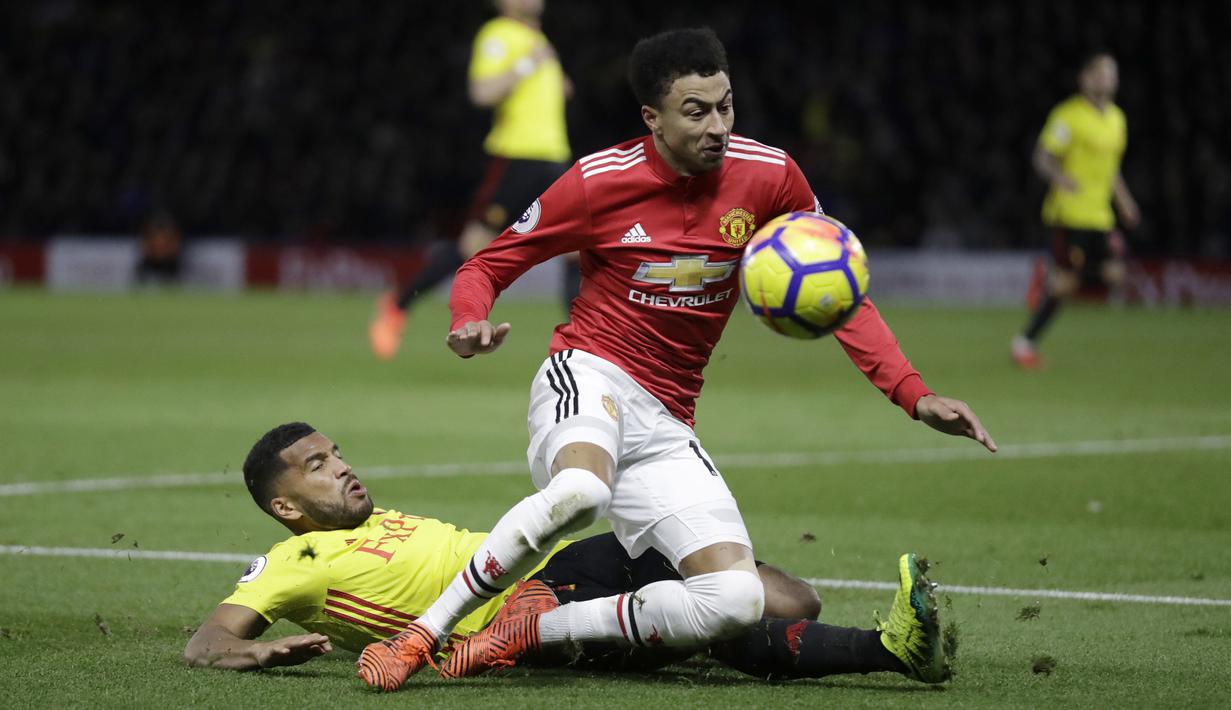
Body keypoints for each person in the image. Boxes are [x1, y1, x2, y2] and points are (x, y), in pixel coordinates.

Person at [357, 27, 993, 690]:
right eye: (696, 111)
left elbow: (842, 295)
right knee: (580, 493)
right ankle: (421, 635)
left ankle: (528, 631)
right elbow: (487, 263)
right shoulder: (598, 183)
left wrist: (913, 395)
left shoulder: (770, 176)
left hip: (666, 420)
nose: (717, 126)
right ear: (651, 118)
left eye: (724, 106)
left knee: (735, 601)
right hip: (588, 372)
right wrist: (469, 319)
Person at [184, 422, 949, 685]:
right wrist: (256, 653)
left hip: (565, 570)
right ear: (284, 506)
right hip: (534, 605)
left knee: (782, 600)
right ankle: (889, 650)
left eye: (336, 452)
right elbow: (207, 640)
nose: (342, 466)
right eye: (317, 466)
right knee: (738, 610)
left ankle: (889, 652)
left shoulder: (376, 520)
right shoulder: (295, 563)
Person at [368, 0, 579, 360]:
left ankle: (585, 341)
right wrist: (529, 64)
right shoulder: (498, 35)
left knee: (577, 249)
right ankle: (397, 306)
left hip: (553, 158)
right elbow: (482, 92)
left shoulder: (538, 39)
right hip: (516, 157)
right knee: (474, 245)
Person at [1013, 52, 1141, 369]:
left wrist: (1124, 201)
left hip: (1100, 215)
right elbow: (1042, 157)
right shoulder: (1067, 116)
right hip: (1069, 213)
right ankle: (1024, 343)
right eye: (1100, 74)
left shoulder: (1117, 120)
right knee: (1065, 286)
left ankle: (1048, 276)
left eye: (1112, 74)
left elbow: (1111, 169)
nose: (1106, 80)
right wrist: (1059, 178)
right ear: (1085, 79)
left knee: (1115, 275)